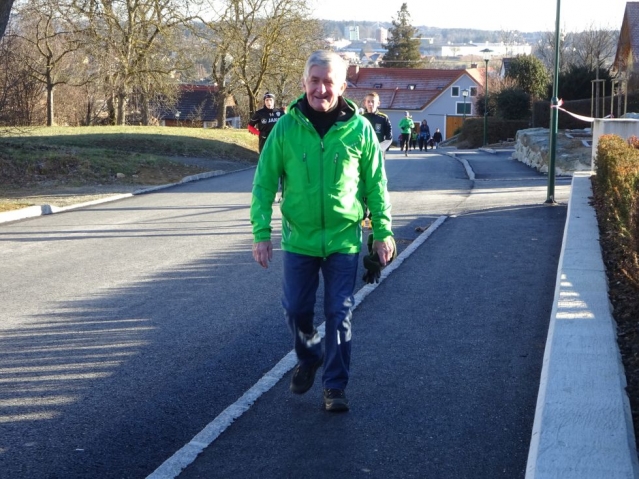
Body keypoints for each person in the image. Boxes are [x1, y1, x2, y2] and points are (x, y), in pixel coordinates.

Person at [250, 50, 394, 413]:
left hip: (344, 240)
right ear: (304, 83)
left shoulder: (360, 130)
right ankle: (309, 355)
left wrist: (382, 231)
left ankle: (334, 386)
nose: (321, 89)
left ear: (342, 87)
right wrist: (261, 233)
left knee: (339, 312)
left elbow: (376, 185)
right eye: (314, 81)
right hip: (299, 239)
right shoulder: (285, 128)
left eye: (329, 82)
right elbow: (264, 183)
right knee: (296, 309)